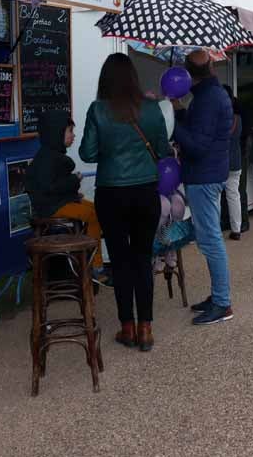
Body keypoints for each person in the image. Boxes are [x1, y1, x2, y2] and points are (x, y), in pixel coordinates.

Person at [79, 53, 171, 350]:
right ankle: (146, 329)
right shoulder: (152, 109)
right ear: (133, 77)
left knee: (119, 261)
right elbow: (161, 148)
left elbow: (88, 154)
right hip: (145, 191)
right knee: (143, 259)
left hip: (111, 193)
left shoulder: (98, 110)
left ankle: (127, 327)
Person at [171, 49, 234, 326]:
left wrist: (172, 124)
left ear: (188, 74)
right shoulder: (210, 95)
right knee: (209, 238)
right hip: (209, 174)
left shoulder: (208, 99)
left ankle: (222, 303)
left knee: (210, 241)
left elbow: (197, 145)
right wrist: (180, 110)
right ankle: (217, 296)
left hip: (204, 177)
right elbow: (201, 131)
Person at [25, 110, 104, 270]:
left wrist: (73, 193)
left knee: (95, 208)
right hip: (51, 207)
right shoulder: (49, 159)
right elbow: (50, 187)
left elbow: (55, 186)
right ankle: (95, 264)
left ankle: (86, 254)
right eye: (70, 131)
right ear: (57, 133)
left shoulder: (51, 156)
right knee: (92, 214)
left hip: (57, 202)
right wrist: (74, 180)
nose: (73, 135)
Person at [223, 86, 244, 240]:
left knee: (215, 197)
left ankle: (214, 230)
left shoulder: (216, 117)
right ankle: (236, 229)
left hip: (219, 162)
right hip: (235, 160)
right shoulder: (238, 118)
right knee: (233, 196)